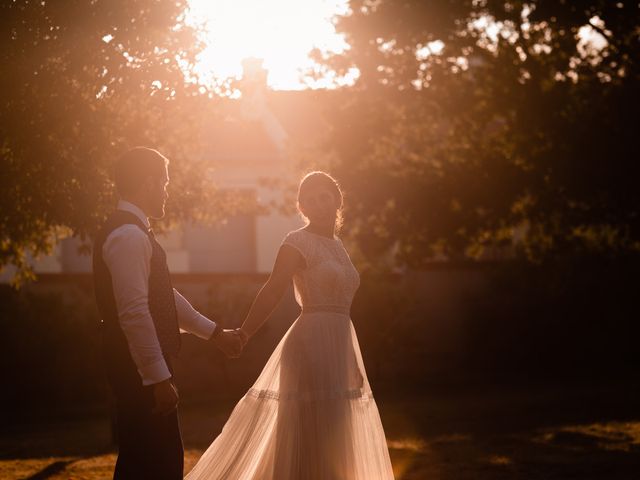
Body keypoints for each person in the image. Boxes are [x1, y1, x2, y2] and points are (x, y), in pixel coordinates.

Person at [186, 171, 395, 479]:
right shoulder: (296, 242)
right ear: (302, 208)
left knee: (337, 433)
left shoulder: (338, 246)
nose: (318, 204)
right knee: (310, 431)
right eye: (309, 200)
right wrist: (244, 332)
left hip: (340, 346)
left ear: (336, 200)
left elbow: (342, 309)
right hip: (310, 346)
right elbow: (273, 289)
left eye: (324, 197)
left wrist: (351, 360)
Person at [92, 147, 244, 480]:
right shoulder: (128, 236)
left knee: (143, 460)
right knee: (157, 462)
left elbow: (163, 298)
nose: (166, 191)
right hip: (137, 367)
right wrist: (158, 378)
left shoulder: (134, 232)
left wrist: (215, 334)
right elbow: (134, 312)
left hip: (140, 365)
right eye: (163, 182)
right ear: (147, 183)